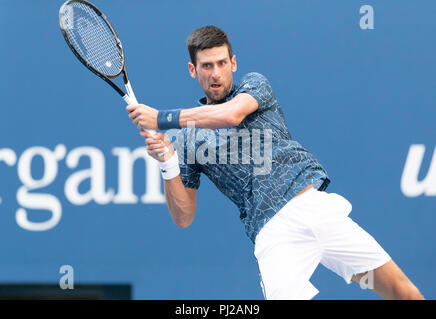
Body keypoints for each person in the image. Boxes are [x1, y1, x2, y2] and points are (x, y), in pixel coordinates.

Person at [126, 25, 424, 300]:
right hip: (274, 235)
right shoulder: (186, 141)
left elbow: (231, 115)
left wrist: (162, 118)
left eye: (221, 63)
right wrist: (168, 162)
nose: (215, 73)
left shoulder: (254, 85)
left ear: (234, 63)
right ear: (193, 70)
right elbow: (183, 217)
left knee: (403, 292)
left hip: (312, 206)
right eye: (206, 66)